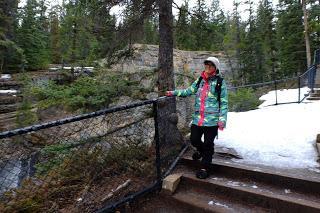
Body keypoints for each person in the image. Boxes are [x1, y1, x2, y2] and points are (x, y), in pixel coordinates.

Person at [165, 57, 228, 179]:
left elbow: (224, 102)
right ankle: (202, 152)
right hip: (198, 119)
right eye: (206, 65)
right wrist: (173, 93)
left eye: (211, 65)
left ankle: (205, 168)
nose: (208, 67)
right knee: (194, 140)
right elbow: (189, 91)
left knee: (209, 144)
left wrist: (222, 119)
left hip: (212, 121)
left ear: (215, 68)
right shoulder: (200, 80)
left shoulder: (220, 82)